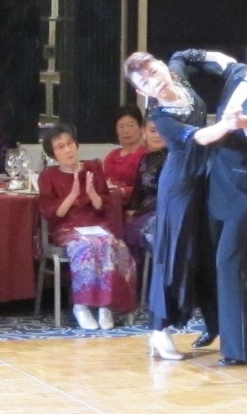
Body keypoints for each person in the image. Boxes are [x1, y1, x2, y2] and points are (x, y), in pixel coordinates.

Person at [172, 21, 247, 366]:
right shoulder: (236, 71)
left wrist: (246, 123)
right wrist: (177, 72)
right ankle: (215, 326)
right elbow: (195, 57)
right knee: (209, 261)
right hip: (215, 180)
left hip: (243, 190)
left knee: (231, 265)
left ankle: (242, 350)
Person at [123, 51, 236, 360]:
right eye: (145, 82)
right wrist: (228, 124)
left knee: (206, 253)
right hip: (180, 188)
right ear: (141, 91)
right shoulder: (160, 116)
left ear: (161, 66)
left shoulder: (177, 74)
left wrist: (228, 64)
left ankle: (214, 322)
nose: (154, 81)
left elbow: (186, 56)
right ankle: (159, 331)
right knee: (174, 256)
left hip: (204, 181)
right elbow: (198, 136)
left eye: (153, 71)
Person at [39, 123, 138, 330]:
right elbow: (53, 214)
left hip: (97, 226)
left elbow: (104, 206)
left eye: (70, 144)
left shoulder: (93, 167)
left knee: (111, 244)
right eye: (60, 147)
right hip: (68, 228)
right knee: (85, 246)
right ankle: (81, 306)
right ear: (53, 153)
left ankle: (105, 306)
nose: (68, 149)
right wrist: (73, 195)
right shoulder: (48, 176)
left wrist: (92, 194)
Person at [123, 117, 167, 295]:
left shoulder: (174, 158)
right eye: (152, 131)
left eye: (161, 130)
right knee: (125, 228)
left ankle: (159, 290)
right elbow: (138, 190)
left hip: (164, 209)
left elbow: (167, 193)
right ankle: (136, 289)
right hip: (145, 210)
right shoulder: (144, 160)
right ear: (144, 132)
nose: (157, 135)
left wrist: (138, 211)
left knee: (154, 229)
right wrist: (131, 210)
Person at [103, 104, 148, 204]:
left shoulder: (146, 155)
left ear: (141, 128)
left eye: (130, 125)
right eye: (121, 126)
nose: (126, 131)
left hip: (135, 205)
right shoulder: (113, 155)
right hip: (109, 203)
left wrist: (122, 191)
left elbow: (145, 188)